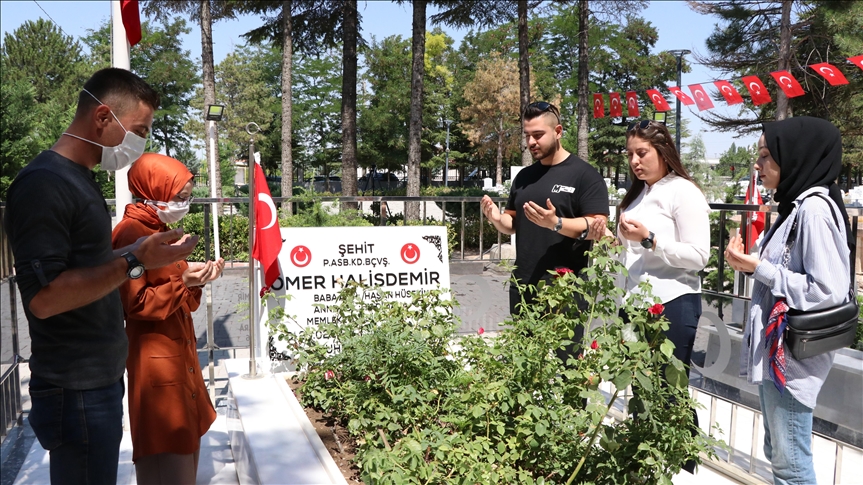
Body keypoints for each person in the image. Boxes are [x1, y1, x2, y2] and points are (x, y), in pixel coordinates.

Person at [3, 68, 199, 484]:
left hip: (98, 380)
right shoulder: (43, 184)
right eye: (139, 130)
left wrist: (143, 252)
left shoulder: (81, 180)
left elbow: (88, 263)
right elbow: (45, 296)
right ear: (103, 117)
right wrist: (133, 262)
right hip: (76, 386)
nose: (140, 144)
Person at [725, 117, 851, 485]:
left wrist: (759, 268)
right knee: (781, 455)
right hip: (782, 355)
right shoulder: (797, 206)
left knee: (791, 466)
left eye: (766, 156)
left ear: (795, 157)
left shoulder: (814, 209)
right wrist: (750, 266)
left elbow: (826, 290)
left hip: (793, 362)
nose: (757, 164)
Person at [111, 153, 223, 483]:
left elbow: (182, 302)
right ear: (152, 190)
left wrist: (196, 279)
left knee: (185, 452)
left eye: (187, 197)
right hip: (155, 359)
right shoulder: (132, 232)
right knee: (167, 454)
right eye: (180, 197)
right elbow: (137, 304)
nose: (184, 204)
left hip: (178, 353)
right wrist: (185, 280)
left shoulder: (159, 227)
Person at [616, 119, 711, 473]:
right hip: (637, 305)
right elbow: (634, 253)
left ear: (663, 152)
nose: (635, 161)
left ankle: (679, 468)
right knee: (643, 389)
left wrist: (651, 239)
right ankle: (648, 464)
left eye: (642, 153)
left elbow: (700, 256)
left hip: (672, 302)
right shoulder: (641, 192)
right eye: (630, 155)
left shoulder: (682, 191)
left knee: (670, 392)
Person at [480, 101, 609, 356]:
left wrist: (556, 223)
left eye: (538, 134)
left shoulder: (585, 176)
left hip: (565, 288)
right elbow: (513, 224)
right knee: (525, 370)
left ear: (558, 131)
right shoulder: (524, 177)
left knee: (567, 369)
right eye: (527, 135)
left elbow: (597, 228)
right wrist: (496, 218)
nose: (531, 142)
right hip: (524, 284)